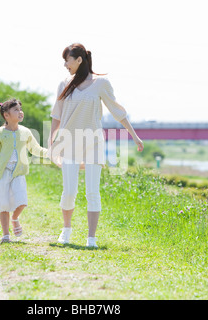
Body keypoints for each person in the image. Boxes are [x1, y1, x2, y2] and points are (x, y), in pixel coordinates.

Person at [49, 43, 144, 248]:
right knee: (69, 191)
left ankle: (91, 238)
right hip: (69, 142)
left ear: (79, 60)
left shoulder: (101, 83)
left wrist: (134, 136)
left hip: (93, 142)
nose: (65, 64)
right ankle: (66, 230)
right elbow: (56, 115)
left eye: (68, 60)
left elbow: (117, 111)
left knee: (93, 191)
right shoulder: (64, 83)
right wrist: (51, 143)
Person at [0, 98, 48, 243]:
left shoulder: (26, 132)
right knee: (4, 205)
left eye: (20, 109)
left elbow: (35, 149)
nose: (20, 112)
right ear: (6, 115)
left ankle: (15, 218)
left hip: (18, 172)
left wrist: (50, 153)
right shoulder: (0, 132)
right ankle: (5, 235)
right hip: (2, 172)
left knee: (22, 201)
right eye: (16, 109)